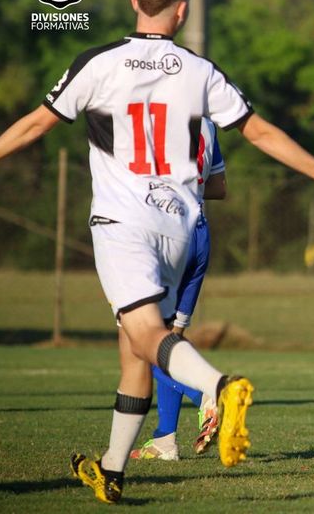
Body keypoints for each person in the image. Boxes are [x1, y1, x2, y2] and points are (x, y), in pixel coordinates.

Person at [0, 0, 314, 504]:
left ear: (132, 2)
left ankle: (219, 387)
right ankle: (112, 470)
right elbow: (259, 131)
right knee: (136, 353)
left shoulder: (97, 63)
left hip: (124, 224)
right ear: (183, 10)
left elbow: (35, 125)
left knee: (147, 336)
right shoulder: (199, 71)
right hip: (180, 226)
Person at [130, 117, 226, 462]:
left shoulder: (154, 116)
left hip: (165, 232)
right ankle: (165, 440)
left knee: (141, 340)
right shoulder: (209, 124)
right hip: (199, 231)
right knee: (170, 339)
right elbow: (219, 186)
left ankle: (208, 393)